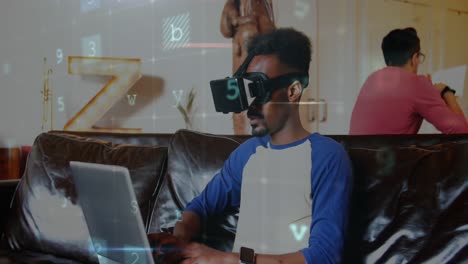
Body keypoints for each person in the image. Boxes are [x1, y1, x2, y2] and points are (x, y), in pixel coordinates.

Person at [149, 28, 353, 264]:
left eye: (261, 90)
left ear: (293, 90)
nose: (250, 106)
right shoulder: (246, 154)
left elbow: (325, 256)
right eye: (248, 91)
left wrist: (229, 259)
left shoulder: (328, 157)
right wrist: (180, 237)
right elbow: (200, 206)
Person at [349, 27, 468, 135]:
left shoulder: (372, 79)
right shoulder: (417, 83)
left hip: (357, 157)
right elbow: (462, 131)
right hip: (388, 158)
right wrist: (447, 93)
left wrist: (427, 91)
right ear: (414, 58)